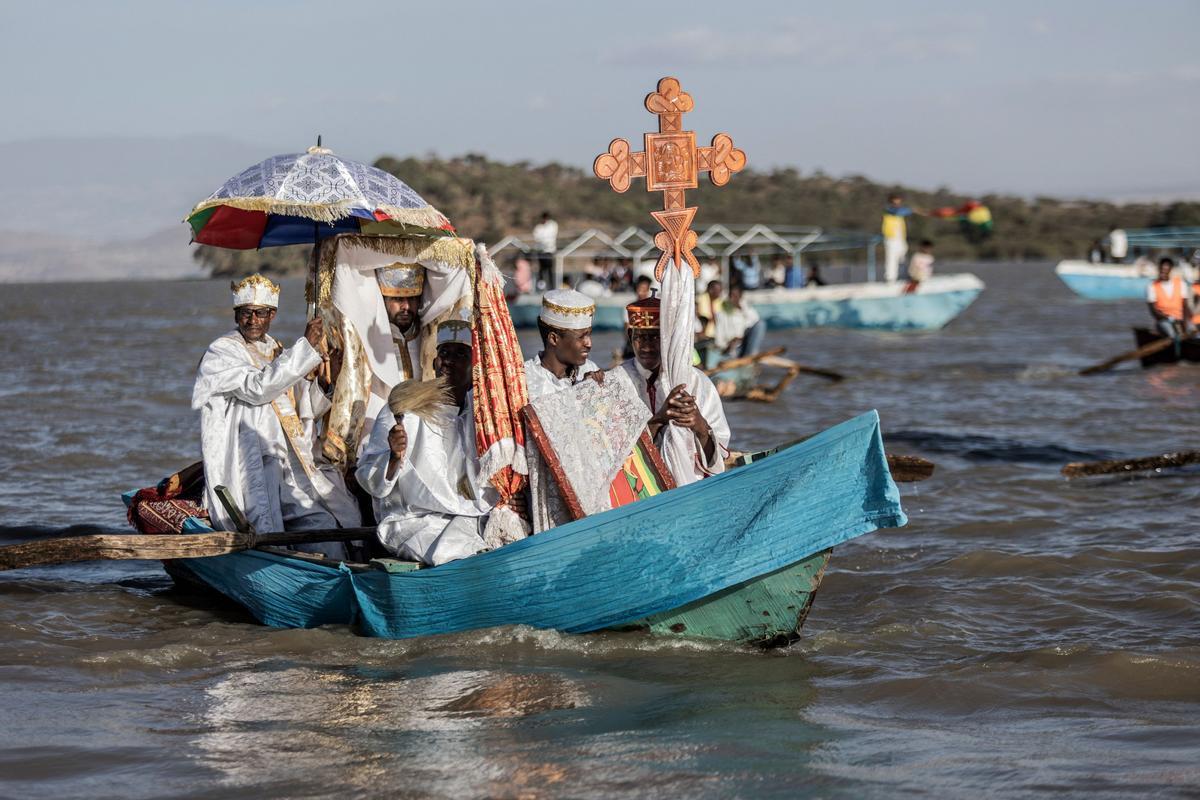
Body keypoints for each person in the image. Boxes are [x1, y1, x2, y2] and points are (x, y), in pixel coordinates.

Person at [192, 275, 362, 559]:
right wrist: (305, 349)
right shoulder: (221, 352)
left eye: (261, 313)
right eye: (246, 313)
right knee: (265, 529)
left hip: (291, 464)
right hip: (250, 462)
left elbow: (302, 411)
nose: (253, 320)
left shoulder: (278, 350)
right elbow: (258, 388)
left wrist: (322, 382)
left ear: (272, 315)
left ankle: (341, 572)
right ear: (236, 315)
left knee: (324, 521)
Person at [355, 315, 496, 565]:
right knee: (455, 551)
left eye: (460, 355)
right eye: (444, 354)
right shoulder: (405, 408)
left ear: (476, 367)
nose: (448, 363)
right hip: (413, 520)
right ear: (434, 361)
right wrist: (393, 458)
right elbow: (369, 477)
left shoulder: (482, 412)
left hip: (468, 515)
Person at [619, 296, 731, 485]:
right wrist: (658, 421)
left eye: (655, 337)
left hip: (691, 487)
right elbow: (612, 455)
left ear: (668, 339)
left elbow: (719, 458)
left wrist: (700, 427)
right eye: (640, 337)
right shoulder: (617, 381)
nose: (647, 346)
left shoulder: (695, 382)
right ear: (630, 337)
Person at [524, 289, 602, 400]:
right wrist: (580, 391)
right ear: (554, 339)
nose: (589, 344)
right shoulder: (526, 380)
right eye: (581, 337)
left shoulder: (590, 369)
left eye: (589, 335)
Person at [375, 263, 423, 383]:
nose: (406, 306)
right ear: (384, 301)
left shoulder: (427, 338)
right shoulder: (372, 340)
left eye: (412, 298)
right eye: (398, 299)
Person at [714, 284, 763, 356]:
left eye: (735, 296)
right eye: (731, 296)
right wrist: (728, 344)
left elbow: (756, 322)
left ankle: (750, 356)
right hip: (731, 348)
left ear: (740, 297)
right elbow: (719, 339)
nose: (732, 299)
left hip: (744, 345)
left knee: (761, 324)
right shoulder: (722, 313)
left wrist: (742, 309)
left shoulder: (746, 310)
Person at [1147, 257, 1189, 339]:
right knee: (1172, 335)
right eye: (1161, 270)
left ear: (1171, 270)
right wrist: (1169, 318)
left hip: (1180, 320)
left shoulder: (1181, 284)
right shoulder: (1152, 286)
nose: (1163, 273)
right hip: (1164, 321)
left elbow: (1185, 307)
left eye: (1166, 270)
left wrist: (1184, 324)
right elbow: (1153, 311)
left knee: (1193, 332)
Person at [882, 193, 916, 283]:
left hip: (901, 238)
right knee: (891, 258)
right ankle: (890, 278)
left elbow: (903, 212)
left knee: (903, 256)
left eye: (899, 202)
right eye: (895, 202)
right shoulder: (888, 210)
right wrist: (911, 210)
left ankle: (904, 275)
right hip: (891, 238)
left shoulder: (901, 211)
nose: (897, 204)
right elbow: (898, 212)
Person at [622, 276, 654, 360]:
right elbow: (627, 328)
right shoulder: (629, 307)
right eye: (640, 289)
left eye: (645, 290)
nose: (642, 293)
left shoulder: (654, 307)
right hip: (633, 346)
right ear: (636, 289)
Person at [531, 211, 559, 290]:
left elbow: (551, 236)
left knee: (549, 269)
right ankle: (541, 288)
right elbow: (536, 238)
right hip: (540, 251)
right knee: (541, 269)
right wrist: (542, 242)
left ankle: (551, 287)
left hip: (549, 250)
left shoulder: (553, 225)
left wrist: (543, 242)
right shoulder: (538, 227)